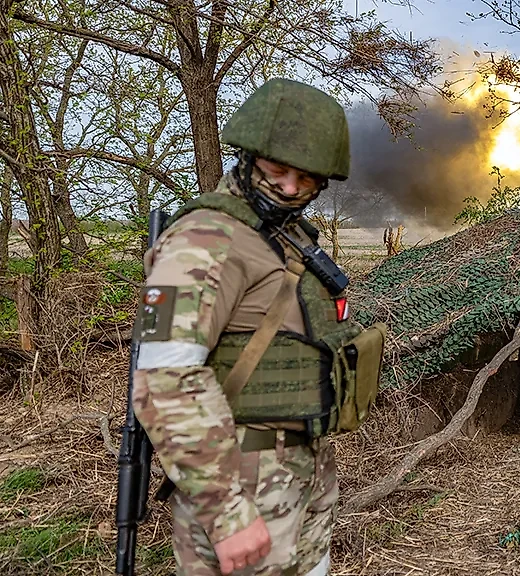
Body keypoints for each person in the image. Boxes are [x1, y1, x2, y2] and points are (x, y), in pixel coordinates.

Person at [131, 78, 361, 576]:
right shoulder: (205, 239)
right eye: (277, 170)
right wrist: (226, 511)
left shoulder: (284, 237)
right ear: (248, 154)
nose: (290, 188)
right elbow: (165, 381)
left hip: (299, 475)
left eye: (308, 179)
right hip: (242, 483)